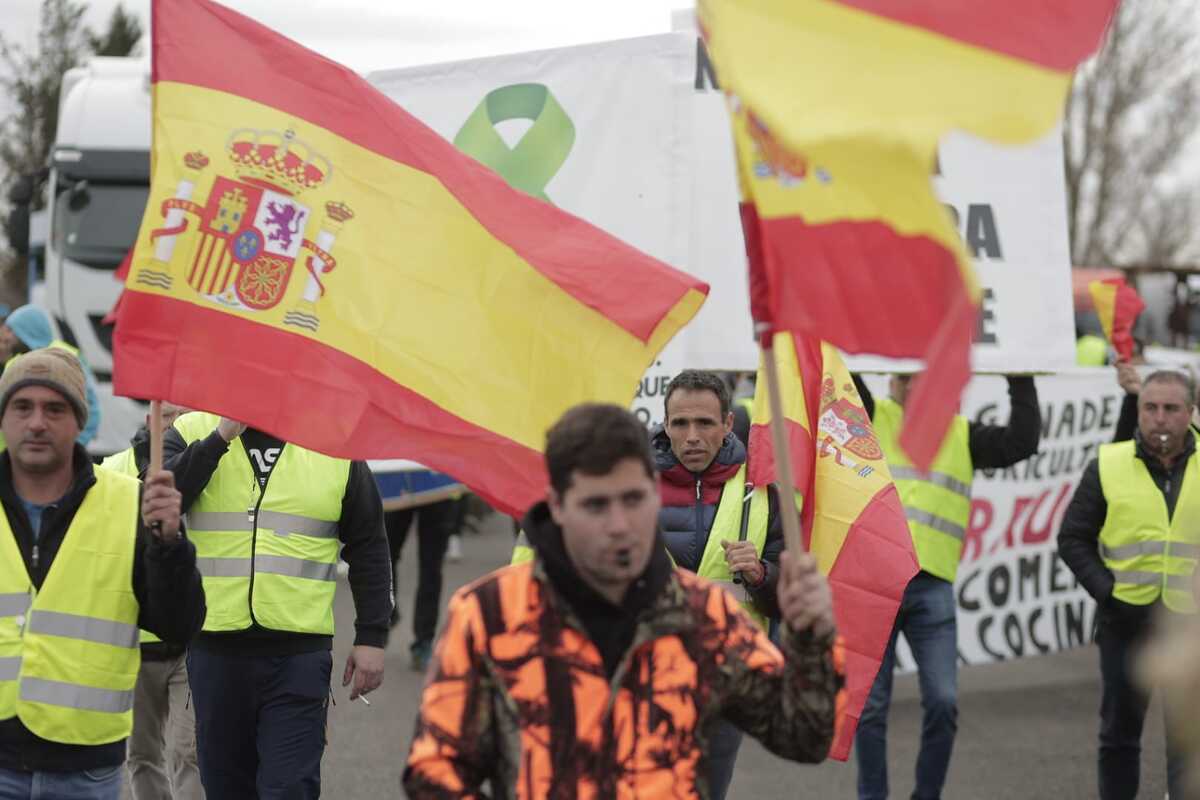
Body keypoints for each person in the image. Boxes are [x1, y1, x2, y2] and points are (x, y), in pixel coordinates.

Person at [404, 403, 841, 797]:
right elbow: (434, 770)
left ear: (654, 492)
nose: (619, 525)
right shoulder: (488, 614)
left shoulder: (704, 615)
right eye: (596, 505)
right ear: (557, 504)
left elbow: (803, 736)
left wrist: (811, 639)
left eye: (633, 499)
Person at [0, 348, 204, 799]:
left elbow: (177, 625)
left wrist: (169, 545)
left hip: (84, 768)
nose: (37, 422)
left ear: (79, 422)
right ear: (3, 419)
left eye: (55, 408)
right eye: (22, 406)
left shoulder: (132, 503)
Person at [162, 411, 393, 799]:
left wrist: (372, 635)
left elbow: (369, 544)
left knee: (289, 789)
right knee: (224, 789)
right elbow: (153, 509)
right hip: (216, 651)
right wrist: (219, 439)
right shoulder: (191, 431)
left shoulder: (335, 442)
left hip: (298, 656)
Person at [853, 373, 1041, 800]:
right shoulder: (870, 416)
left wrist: (1020, 375)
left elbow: (1021, 443)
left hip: (930, 588)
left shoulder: (960, 432)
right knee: (870, 710)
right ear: (892, 383)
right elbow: (845, 375)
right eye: (905, 378)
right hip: (876, 588)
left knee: (943, 702)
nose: (915, 387)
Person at [1058, 370, 1199, 800]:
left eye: (1171, 409)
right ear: (1138, 411)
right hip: (1125, 623)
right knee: (1119, 737)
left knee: (1188, 743)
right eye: (1150, 408)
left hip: (1190, 628)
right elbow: (1072, 537)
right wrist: (1107, 591)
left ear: (1190, 413)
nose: (1159, 418)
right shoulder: (1107, 463)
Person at [653, 369, 785, 798]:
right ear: (665, 424)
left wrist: (762, 574)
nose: (692, 436)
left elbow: (788, 598)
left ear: (728, 423)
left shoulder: (763, 490)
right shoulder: (631, 489)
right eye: (680, 424)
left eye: (705, 423)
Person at [100, 402, 203, 800]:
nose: (175, 424)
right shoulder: (112, 471)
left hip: (190, 642)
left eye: (184, 416)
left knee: (188, 751)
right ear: (150, 421)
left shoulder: (208, 469)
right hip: (135, 643)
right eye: (167, 416)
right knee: (141, 754)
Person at [384, 494, 466, 672]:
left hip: (436, 484)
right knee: (385, 554)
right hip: (399, 477)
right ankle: (388, 612)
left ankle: (423, 640)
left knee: (431, 566)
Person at [0, 305, 101, 446]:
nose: (6, 335)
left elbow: (91, 410)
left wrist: (72, 448)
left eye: (11, 329)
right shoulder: (15, 362)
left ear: (28, 329)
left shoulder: (65, 357)